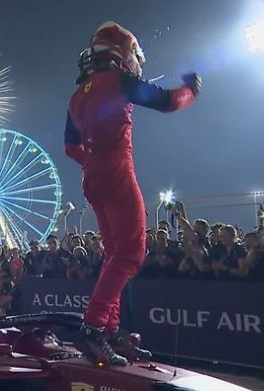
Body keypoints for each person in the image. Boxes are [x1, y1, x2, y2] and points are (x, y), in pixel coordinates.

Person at [65, 21, 201, 365]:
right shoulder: (117, 80)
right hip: (116, 170)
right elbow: (168, 102)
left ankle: (109, 331)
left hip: (92, 175)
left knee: (114, 255)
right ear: (120, 54)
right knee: (130, 254)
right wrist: (191, 90)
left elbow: (70, 147)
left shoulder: (75, 96)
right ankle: (95, 328)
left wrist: (92, 162)